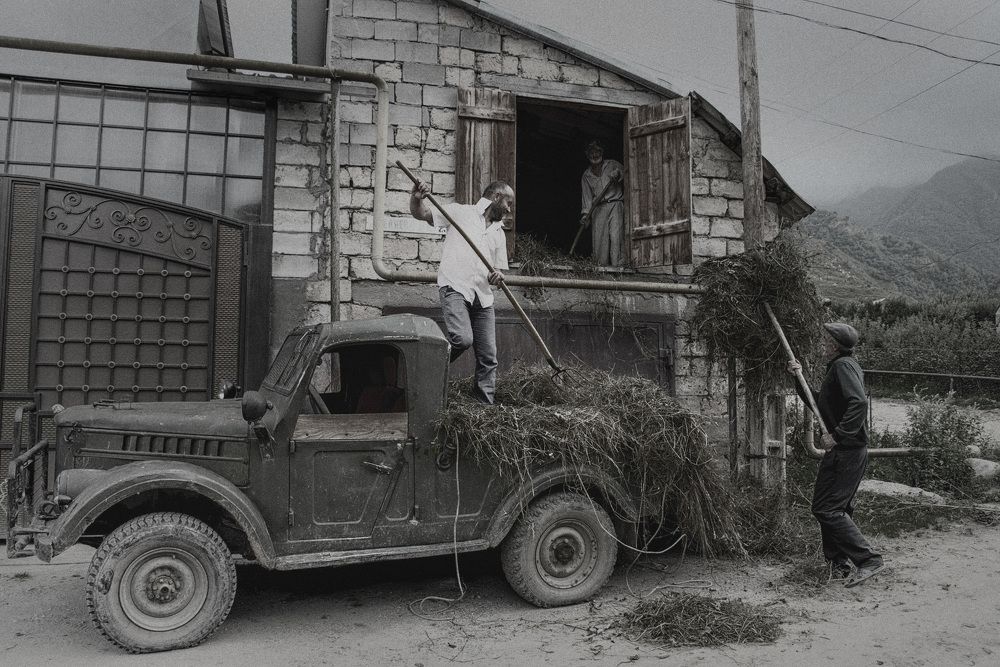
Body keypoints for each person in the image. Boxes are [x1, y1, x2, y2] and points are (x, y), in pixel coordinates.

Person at [787, 322, 886, 588]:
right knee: (831, 507)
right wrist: (798, 380)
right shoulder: (840, 366)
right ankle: (838, 565)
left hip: (847, 450)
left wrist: (837, 435)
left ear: (834, 345)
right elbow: (820, 403)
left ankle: (868, 560)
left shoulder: (843, 367)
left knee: (827, 508)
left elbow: (859, 402)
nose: (820, 345)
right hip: (845, 451)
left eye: (823, 341)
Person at [409, 179, 513, 404]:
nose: (509, 209)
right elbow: (422, 214)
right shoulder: (460, 213)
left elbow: (498, 271)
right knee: (463, 339)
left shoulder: (498, 232)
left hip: (483, 298)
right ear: (496, 197)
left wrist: (498, 276)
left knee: (488, 357)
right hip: (455, 288)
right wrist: (416, 198)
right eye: (508, 202)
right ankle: (427, 372)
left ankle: (484, 407)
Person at [580, 140, 624, 267]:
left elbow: (627, 173)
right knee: (600, 241)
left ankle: (619, 268)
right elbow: (587, 198)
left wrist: (618, 173)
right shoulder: (586, 175)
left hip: (615, 204)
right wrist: (585, 216)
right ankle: (601, 270)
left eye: (597, 151)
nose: (595, 155)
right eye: (591, 152)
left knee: (616, 236)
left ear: (602, 152)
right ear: (587, 155)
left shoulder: (613, 164)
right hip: (598, 209)